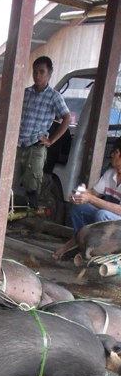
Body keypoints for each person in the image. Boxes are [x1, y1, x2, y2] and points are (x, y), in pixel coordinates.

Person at [14, 56, 71, 210]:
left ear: (50, 73)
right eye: (35, 72)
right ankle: (10, 218)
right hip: (19, 144)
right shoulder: (25, 93)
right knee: (12, 183)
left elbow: (67, 118)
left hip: (36, 146)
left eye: (41, 72)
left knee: (32, 186)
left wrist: (51, 140)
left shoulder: (54, 96)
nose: (37, 75)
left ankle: (28, 222)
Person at [52, 139, 121, 259]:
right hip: (113, 221)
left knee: (103, 215)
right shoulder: (110, 174)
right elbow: (93, 193)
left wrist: (90, 199)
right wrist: (82, 193)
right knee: (79, 208)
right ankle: (81, 244)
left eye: (115, 152)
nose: (112, 155)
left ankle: (100, 254)